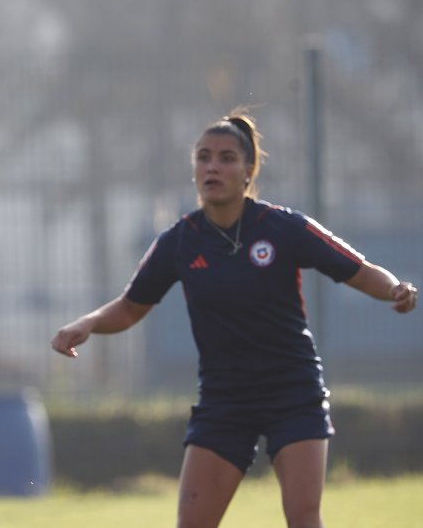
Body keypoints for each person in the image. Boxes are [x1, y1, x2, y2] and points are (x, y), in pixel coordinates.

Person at [50, 110, 417, 528]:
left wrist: (394, 289)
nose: (212, 166)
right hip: (225, 400)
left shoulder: (282, 227)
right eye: (203, 157)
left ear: (248, 171)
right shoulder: (180, 241)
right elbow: (132, 306)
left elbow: (357, 267)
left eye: (226, 158)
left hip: (292, 393)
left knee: (303, 517)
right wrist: (89, 323)